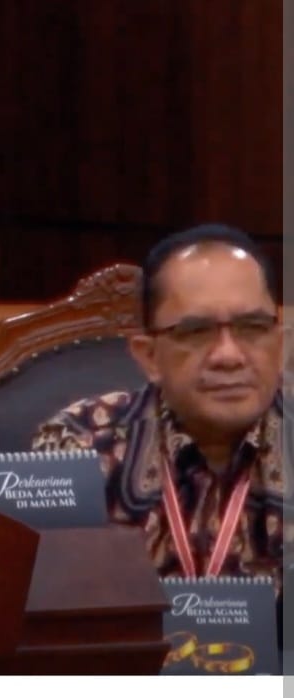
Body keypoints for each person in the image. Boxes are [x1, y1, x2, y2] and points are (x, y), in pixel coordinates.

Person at [32, 224, 287, 586]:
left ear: (280, 345)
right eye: (196, 332)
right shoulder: (82, 442)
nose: (228, 356)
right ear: (149, 356)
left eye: (252, 327)